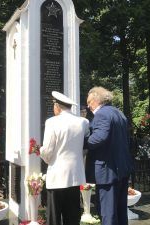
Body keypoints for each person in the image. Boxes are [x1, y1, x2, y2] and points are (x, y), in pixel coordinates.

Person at [85, 86, 134, 225]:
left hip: (108, 172)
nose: (88, 106)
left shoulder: (102, 114)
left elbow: (99, 138)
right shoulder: (118, 113)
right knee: (120, 211)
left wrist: (82, 143)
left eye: (89, 102)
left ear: (96, 100)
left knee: (108, 214)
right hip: (121, 169)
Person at [40, 91, 90, 225]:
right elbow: (85, 147)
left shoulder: (52, 122)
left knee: (54, 218)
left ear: (57, 106)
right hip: (75, 176)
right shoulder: (83, 122)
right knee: (73, 217)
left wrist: (40, 152)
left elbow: (48, 151)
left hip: (57, 177)